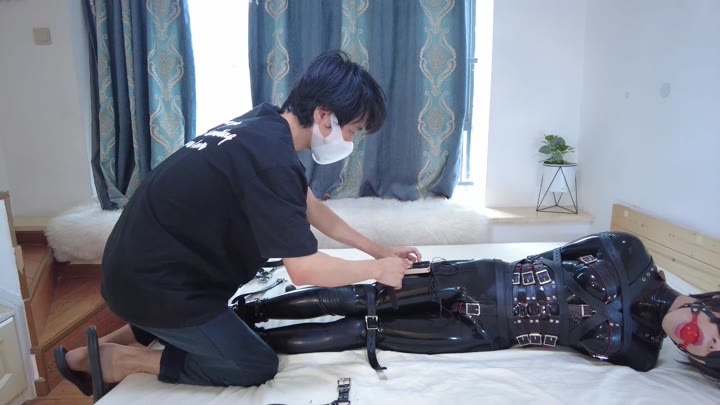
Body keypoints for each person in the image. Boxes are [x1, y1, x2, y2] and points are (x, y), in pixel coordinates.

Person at [53, 50, 422, 400]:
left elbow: (311, 207)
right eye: (353, 131)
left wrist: (379, 251)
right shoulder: (273, 161)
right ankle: (119, 360)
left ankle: (107, 344)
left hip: (141, 266)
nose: (350, 142)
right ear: (325, 116)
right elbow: (305, 270)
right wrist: (376, 270)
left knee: (215, 301)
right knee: (253, 364)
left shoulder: (263, 123)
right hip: (150, 283)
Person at [235, 231, 720, 378]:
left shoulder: (642, 354)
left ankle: (245, 341)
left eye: (708, 352)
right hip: (486, 277)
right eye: (716, 333)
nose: (697, 339)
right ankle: (250, 312)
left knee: (368, 330)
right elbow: (556, 253)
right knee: (366, 296)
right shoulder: (631, 252)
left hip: (487, 334)